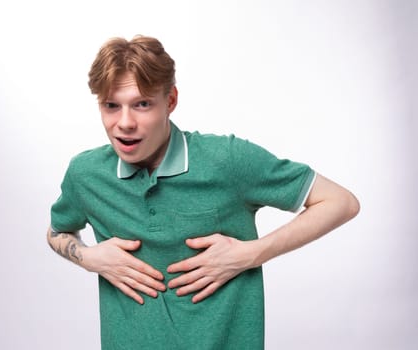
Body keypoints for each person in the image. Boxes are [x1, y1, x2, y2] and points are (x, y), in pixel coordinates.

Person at [47, 35, 360, 350]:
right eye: (111, 106)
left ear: (170, 100)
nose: (124, 123)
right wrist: (89, 258)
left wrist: (250, 254)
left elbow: (339, 202)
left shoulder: (228, 160)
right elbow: (57, 231)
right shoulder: (86, 174)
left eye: (142, 104)